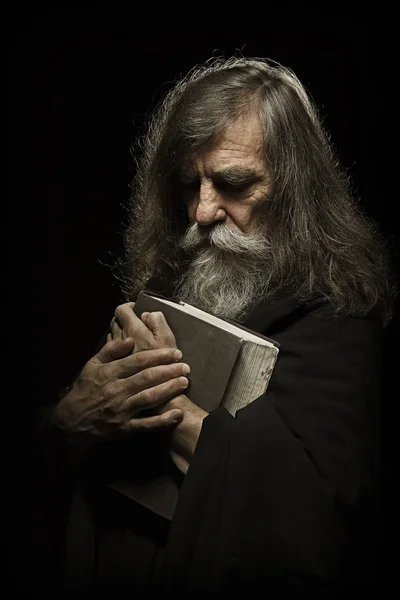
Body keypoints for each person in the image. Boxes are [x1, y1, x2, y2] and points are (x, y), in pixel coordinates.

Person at [31, 56, 397, 597]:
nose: (202, 212)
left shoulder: (338, 317)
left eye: (234, 184)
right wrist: (68, 420)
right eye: (187, 184)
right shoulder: (172, 281)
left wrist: (160, 405)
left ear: (293, 190)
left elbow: (314, 528)